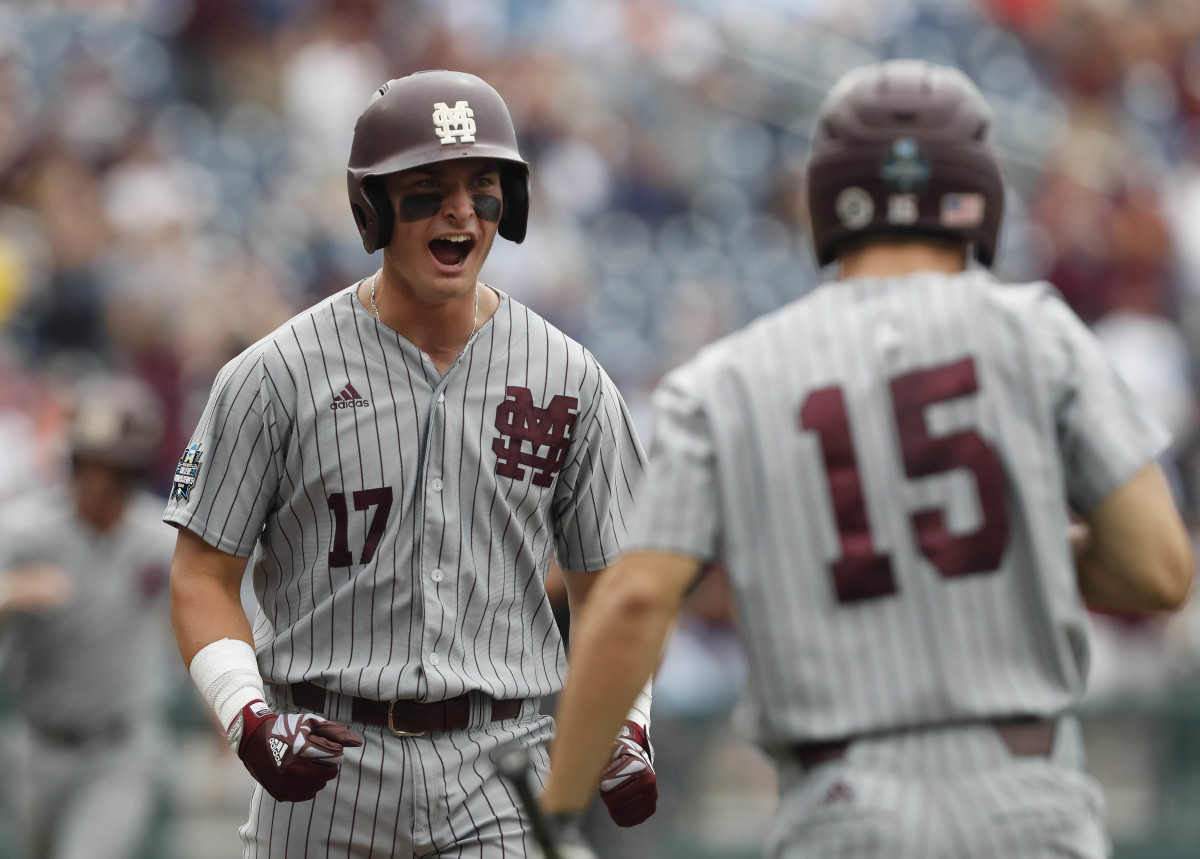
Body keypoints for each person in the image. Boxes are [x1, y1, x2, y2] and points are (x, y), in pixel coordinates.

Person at [540, 59, 1195, 858]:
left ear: (826, 200)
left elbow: (634, 603)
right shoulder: (1041, 333)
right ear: (979, 195)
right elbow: (1158, 567)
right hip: (1031, 799)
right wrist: (1019, 553)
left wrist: (560, 804)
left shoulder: (728, 377)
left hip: (844, 808)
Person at [166, 69, 656, 857]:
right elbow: (201, 574)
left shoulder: (572, 377)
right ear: (374, 205)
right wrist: (248, 717)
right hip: (325, 762)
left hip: (502, 763)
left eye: (482, 184)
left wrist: (628, 724)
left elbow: (617, 589)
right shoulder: (275, 374)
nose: (460, 209)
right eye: (428, 187)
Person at [0, 376, 177, 859]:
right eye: (87, 464)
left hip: (123, 744)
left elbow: (191, 628)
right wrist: (11, 593)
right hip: (40, 741)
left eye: (113, 468)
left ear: (135, 471)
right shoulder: (26, 531)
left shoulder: (160, 538)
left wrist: (224, 715)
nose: (97, 481)